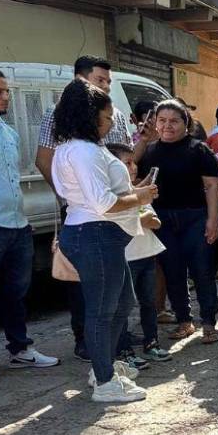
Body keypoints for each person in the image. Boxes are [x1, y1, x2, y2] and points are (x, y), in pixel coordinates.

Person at [52, 80, 158, 403]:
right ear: (89, 115)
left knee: (123, 302)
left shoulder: (79, 148)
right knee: (101, 310)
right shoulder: (82, 151)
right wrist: (139, 195)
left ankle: (104, 366)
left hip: (101, 237)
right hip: (94, 234)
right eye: (108, 116)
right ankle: (104, 381)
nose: (112, 122)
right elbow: (104, 203)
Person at [35, 57, 141, 361]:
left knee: (119, 301)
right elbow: (99, 198)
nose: (106, 86)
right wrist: (74, 199)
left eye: (108, 81)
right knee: (99, 306)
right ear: (81, 82)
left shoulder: (100, 131)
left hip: (109, 224)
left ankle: (111, 356)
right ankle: (102, 370)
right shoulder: (74, 140)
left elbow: (124, 160)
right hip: (93, 224)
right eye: (100, 80)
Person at [0, 67, 59, 385]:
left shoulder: (7, 132)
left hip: (16, 224)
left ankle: (20, 349)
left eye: (6, 90)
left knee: (16, 292)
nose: (6, 96)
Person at [137, 99, 218, 344]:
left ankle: (208, 322)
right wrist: (143, 140)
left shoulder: (199, 150)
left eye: (174, 121)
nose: (167, 126)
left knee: (202, 270)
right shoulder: (150, 151)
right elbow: (135, 178)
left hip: (195, 217)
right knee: (172, 271)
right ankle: (184, 321)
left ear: (186, 123)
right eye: (162, 121)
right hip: (162, 219)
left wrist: (213, 219)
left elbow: (212, 185)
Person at [107, 143, 168, 369]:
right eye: (127, 163)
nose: (133, 168)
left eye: (133, 162)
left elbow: (154, 221)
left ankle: (151, 342)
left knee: (149, 302)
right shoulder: (112, 197)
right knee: (123, 305)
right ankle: (123, 351)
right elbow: (125, 223)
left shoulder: (136, 193)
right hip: (126, 258)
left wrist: (136, 219)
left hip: (146, 255)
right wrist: (137, 219)